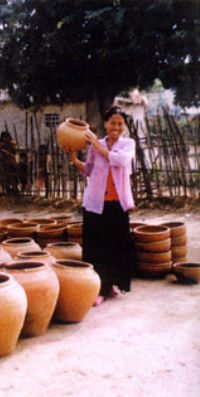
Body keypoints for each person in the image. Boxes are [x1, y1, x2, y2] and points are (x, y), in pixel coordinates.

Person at [68, 106, 136, 306]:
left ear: (124, 126)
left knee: (117, 246)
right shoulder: (95, 146)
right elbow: (89, 170)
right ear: (105, 124)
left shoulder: (127, 144)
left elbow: (120, 161)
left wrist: (97, 146)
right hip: (96, 204)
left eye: (120, 123)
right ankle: (98, 289)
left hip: (117, 204)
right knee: (96, 248)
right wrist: (73, 159)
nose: (116, 126)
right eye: (112, 122)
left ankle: (113, 285)